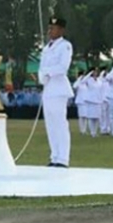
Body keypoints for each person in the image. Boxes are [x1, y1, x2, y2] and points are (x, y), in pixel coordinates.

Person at [38, 17, 73, 168]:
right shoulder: (46, 48)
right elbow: (41, 68)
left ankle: (63, 158)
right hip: (48, 89)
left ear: (61, 30)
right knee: (51, 125)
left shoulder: (65, 46)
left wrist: (47, 72)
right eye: (49, 28)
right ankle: (55, 156)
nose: (50, 31)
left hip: (59, 89)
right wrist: (42, 77)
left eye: (53, 28)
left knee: (60, 124)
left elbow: (62, 67)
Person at [83, 68, 102, 137]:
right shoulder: (88, 80)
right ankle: (92, 132)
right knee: (91, 117)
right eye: (94, 72)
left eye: (96, 72)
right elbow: (83, 81)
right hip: (91, 100)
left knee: (97, 117)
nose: (95, 73)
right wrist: (89, 74)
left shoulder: (99, 81)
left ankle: (95, 131)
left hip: (98, 100)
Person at [72, 71, 88, 135]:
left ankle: (85, 129)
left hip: (86, 101)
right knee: (81, 116)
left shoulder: (86, 83)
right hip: (80, 101)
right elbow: (74, 86)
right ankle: (82, 130)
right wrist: (79, 79)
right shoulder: (78, 83)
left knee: (86, 116)